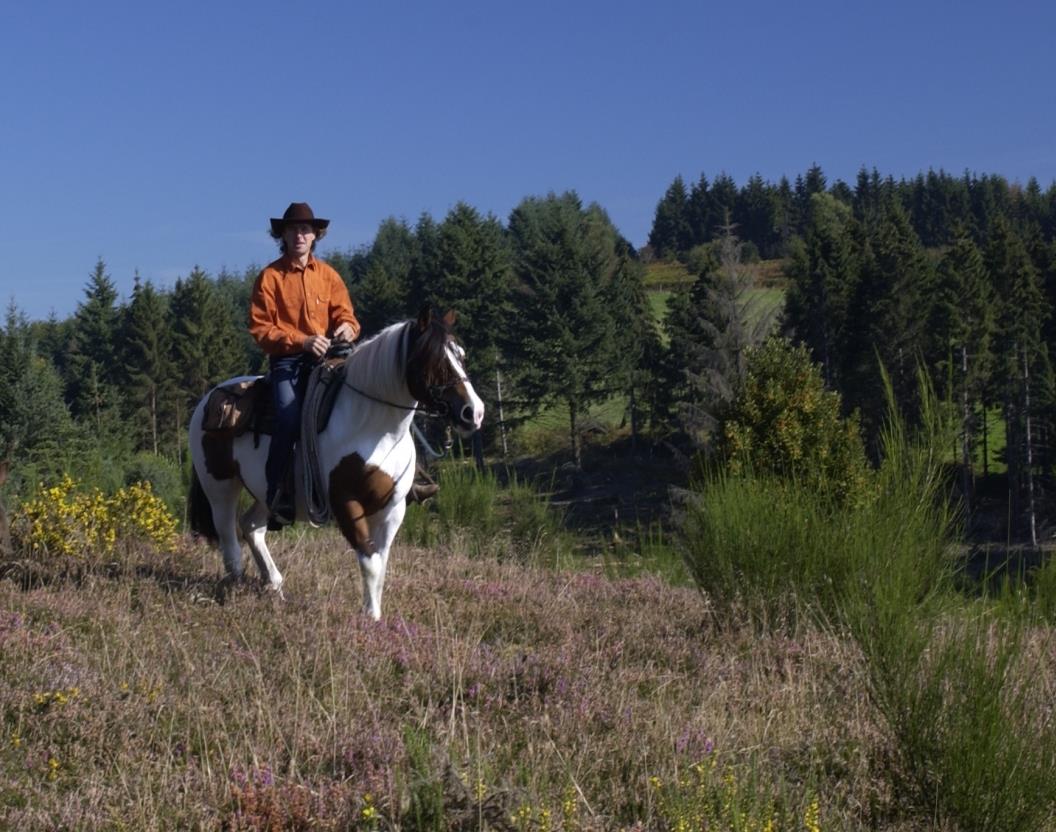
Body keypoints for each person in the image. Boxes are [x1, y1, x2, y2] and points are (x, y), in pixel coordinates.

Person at [249, 202, 360, 526]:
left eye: (306, 229)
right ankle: (277, 495)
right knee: (288, 417)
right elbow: (260, 328)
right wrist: (302, 341)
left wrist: (347, 328)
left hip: (330, 357)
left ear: (315, 235)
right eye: (293, 229)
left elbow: (347, 315)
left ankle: (401, 478)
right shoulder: (269, 277)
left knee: (368, 396)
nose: (300, 234)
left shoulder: (328, 275)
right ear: (282, 234)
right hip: (287, 362)